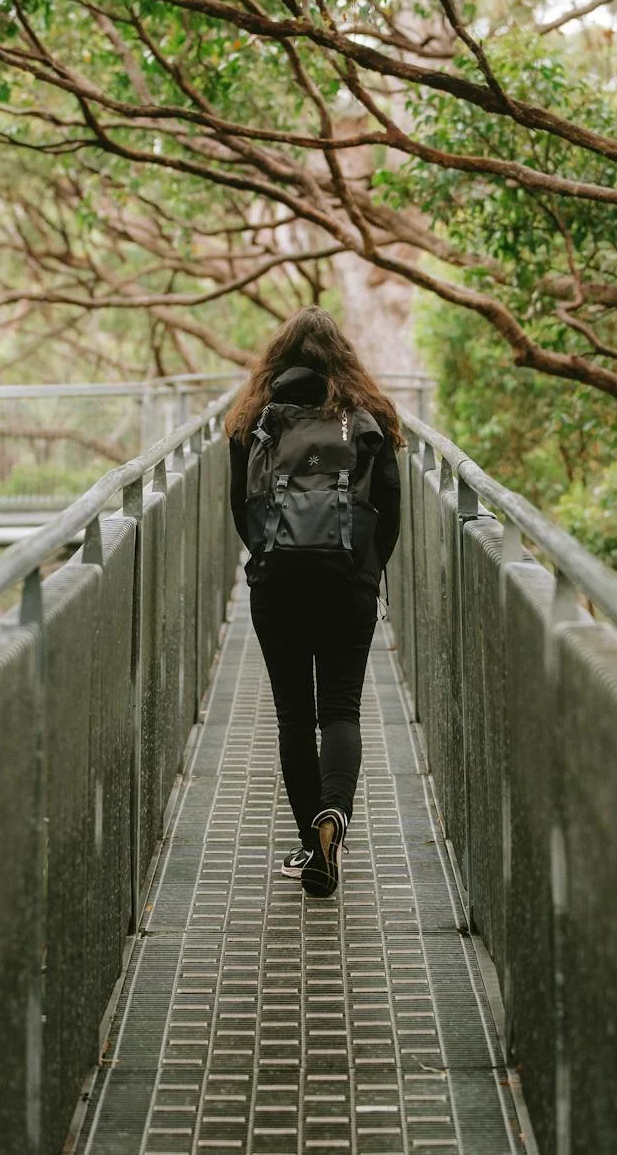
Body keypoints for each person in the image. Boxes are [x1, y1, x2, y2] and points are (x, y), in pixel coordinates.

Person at [226, 306, 403, 898]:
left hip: (277, 584)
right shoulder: (368, 416)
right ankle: (335, 816)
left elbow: (239, 509)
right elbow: (391, 509)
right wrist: (366, 572)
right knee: (341, 710)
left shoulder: (253, 419)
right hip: (347, 582)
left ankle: (310, 844)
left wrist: (269, 561)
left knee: (295, 718)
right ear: (343, 357)